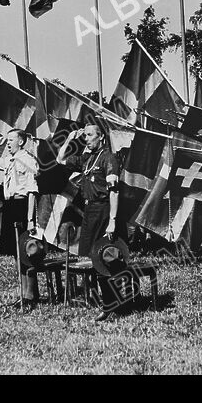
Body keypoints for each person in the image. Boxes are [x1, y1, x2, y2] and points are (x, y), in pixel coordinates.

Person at [56, 122, 125, 321]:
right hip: (89, 211)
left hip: (104, 210)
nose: (86, 139)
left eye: (89, 135)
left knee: (104, 256)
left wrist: (112, 220)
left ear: (101, 137)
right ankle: (106, 301)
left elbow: (114, 191)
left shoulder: (108, 158)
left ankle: (113, 305)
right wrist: (70, 139)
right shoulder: (88, 159)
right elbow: (60, 159)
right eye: (84, 135)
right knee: (92, 256)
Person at [0, 129, 40, 309]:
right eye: (7, 140)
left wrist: (30, 219)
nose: (8, 143)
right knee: (16, 253)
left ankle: (31, 295)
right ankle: (23, 294)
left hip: (22, 206)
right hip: (10, 206)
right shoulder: (9, 159)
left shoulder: (28, 160)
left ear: (21, 142)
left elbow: (32, 191)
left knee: (27, 251)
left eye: (11, 140)